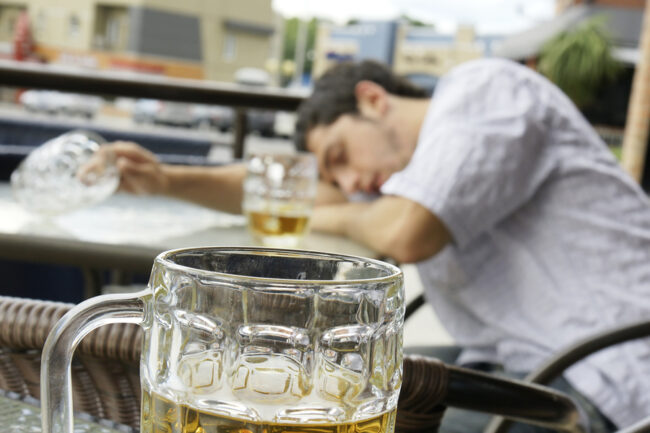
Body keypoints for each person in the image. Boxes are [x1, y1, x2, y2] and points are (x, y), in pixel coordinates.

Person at [103, 58, 650, 432]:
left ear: (373, 100)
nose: (349, 180)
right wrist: (168, 179)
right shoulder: (406, 172)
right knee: (289, 391)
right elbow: (286, 184)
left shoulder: (485, 91)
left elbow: (403, 232)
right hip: (524, 363)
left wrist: (332, 211)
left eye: (340, 154)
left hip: (607, 378)